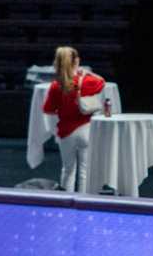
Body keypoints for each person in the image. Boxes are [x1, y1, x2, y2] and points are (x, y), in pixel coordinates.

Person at [41, 46, 108, 193]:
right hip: (86, 129)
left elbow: (48, 109)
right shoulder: (87, 81)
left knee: (68, 169)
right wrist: (86, 73)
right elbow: (101, 82)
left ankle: (65, 199)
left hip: (66, 132)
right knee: (84, 170)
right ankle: (83, 199)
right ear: (76, 61)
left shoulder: (55, 86)